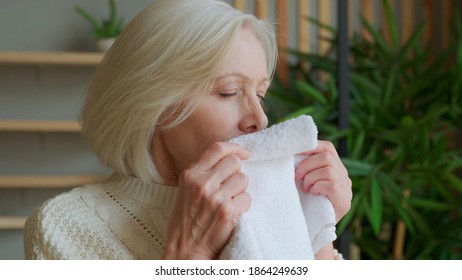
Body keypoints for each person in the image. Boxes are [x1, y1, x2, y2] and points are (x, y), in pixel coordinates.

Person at [24, 0, 352, 260]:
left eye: (261, 94)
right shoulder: (63, 226)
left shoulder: (267, 200)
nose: (260, 119)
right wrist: (190, 254)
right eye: (229, 91)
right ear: (152, 102)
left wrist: (314, 226)